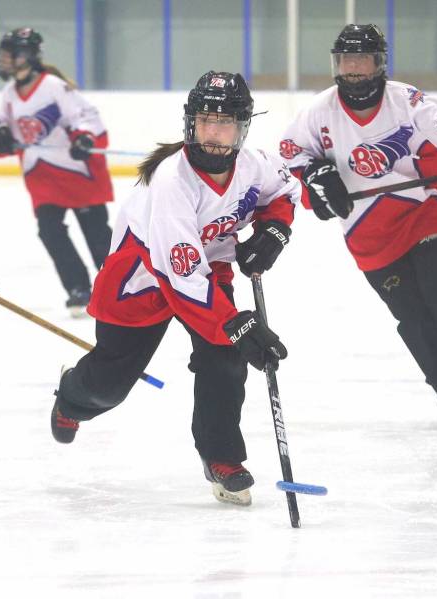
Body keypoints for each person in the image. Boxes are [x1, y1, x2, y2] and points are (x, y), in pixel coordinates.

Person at [50, 72, 300, 506]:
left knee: (224, 360)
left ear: (242, 128)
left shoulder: (254, 165)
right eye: (206, 121)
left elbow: (285, 190)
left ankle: (222, 458)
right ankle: (72, 396)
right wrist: (238, 326)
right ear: (191, 124)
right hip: (142, 279)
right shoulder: (172, 182)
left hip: (206, 269)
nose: (214, 133)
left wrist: (273, 232)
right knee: (108, 386)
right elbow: (180, 277)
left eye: (225, 123)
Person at [278, 24, 437, 427]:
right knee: (413, 315)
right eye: (346, 60)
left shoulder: (406, 100)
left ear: (379, 63)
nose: (353, 69)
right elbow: (289, 159)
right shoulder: (317, 112)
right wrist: (314, 177)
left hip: (424, 209)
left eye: (362, 60)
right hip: (368, 233)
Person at [0, 27, 113, 317]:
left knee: (98, 237)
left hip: (77, 174)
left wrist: (84, 137)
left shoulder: (53, 85)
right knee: (50, 231)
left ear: (27, 56)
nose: (5, 59)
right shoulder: (9, 93)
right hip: (42, 177)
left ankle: (118, 286)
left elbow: (86, 117)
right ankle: (78, 289)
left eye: (11, 54)